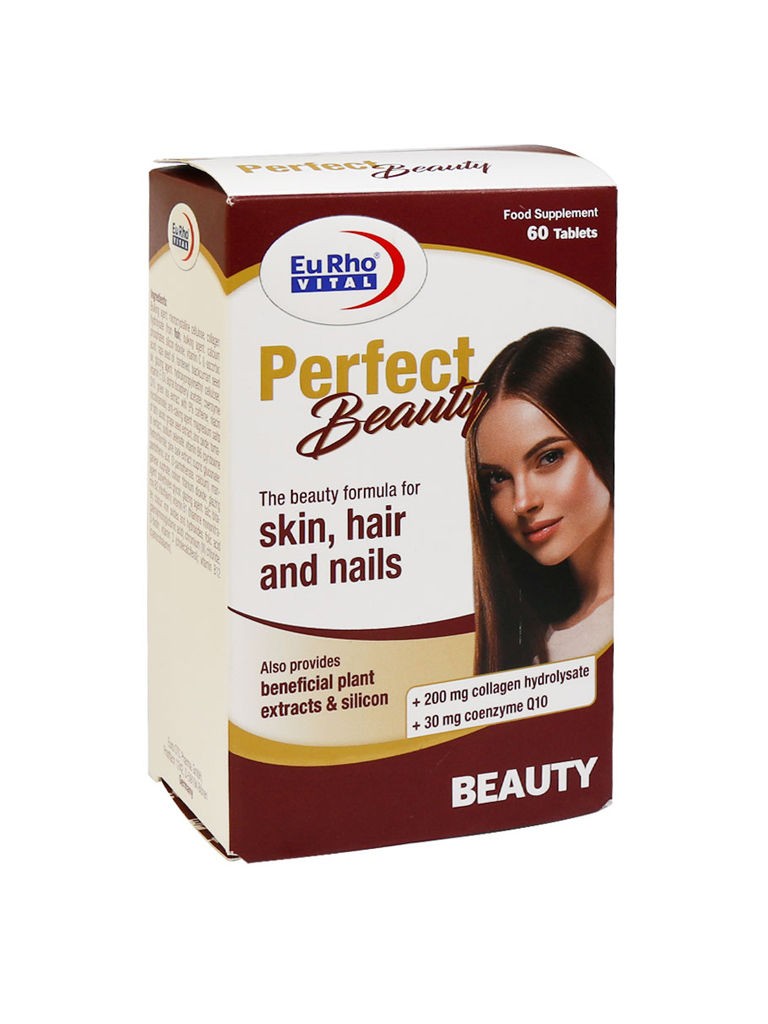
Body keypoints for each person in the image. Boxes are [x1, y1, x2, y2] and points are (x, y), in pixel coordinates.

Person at [466, 327, 614, 673]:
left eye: (549, 458)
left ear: (605, 435)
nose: (522, 502)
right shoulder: (538, 641)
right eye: (497, 478)